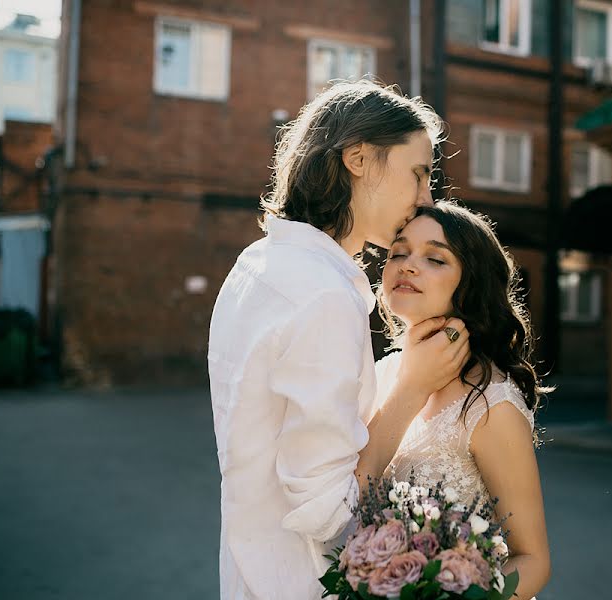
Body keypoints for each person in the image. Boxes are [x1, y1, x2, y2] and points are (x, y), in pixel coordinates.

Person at [208, 80, 470, 600]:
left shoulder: (255, 265)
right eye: (418, 173)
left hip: (250, 573)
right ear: (359, 159)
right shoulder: (320, 294)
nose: (427, 198)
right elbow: (329, 513)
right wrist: (411, 391)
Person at [375, 201, 552, 599]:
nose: (407, 265)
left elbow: (533, 560)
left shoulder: (490, 404)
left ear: (471, 283)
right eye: (398, 252)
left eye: (435, 258)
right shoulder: (380, 376)